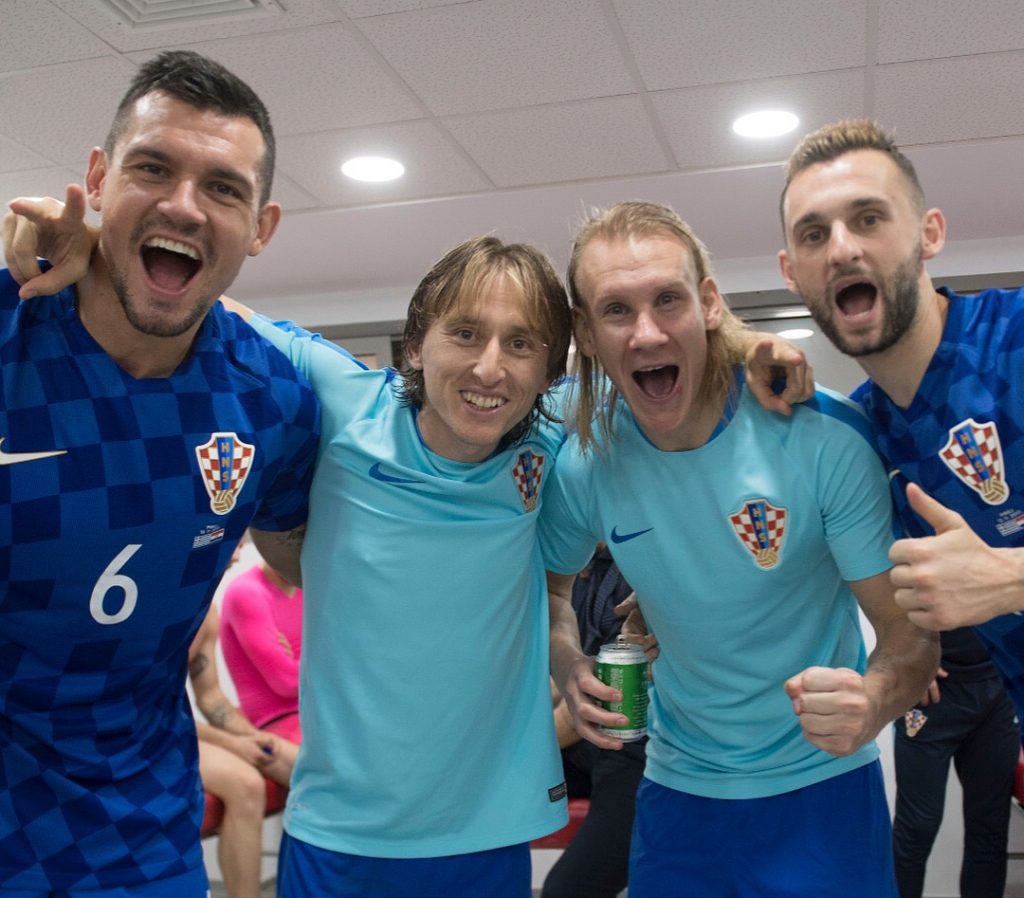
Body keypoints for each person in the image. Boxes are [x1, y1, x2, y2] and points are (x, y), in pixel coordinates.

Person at [6, 204, 813, 898]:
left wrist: (752, 347)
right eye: (465, 333)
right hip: (339, 834)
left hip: (487, 834)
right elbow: (204, 304)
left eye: (521, 344)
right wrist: (92, 250)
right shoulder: (339, 400)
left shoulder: (556, 436)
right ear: (417, 345)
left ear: (550, 369)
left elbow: (661, 350)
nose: (490, 366)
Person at [542, 200, 939, 897]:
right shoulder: (585, 460)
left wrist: (873, 700)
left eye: (668, 300)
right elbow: (548, 589)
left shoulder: (822, 437)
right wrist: (568, 662)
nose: (646, 333)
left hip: (821, 792)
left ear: (708, 303)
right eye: (616, 310)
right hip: (677, 797)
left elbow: (910, 637)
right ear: (586, 332)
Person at [0, 50, 319, 897]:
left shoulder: (274, 399)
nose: (183, 204)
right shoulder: (9, 332)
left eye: (222, 187)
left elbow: (302, 554)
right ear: (97, 180)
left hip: (139, 844)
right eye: (152, 167)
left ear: (261, 227)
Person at [776, 118, 1024, 729]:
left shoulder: (1013, 342)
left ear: (928, 233)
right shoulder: (861, 432)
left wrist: (1012, 577)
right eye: (814, 234)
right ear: (791, 272)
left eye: (868, 218)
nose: (841, 249)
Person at [542, 546, 645, 898]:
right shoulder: (582, 563)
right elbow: (565, 677)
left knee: (567, 891)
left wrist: (507, 756)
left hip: (637, 751)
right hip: (592, 744)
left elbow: (600, 700)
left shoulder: (636, 572)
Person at [891, 629, 1018, 898]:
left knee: (990, 826)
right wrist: (909, 654)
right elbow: (884, 606)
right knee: (917, 827)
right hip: (929, 694)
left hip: (996, 690)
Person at [189, 600, 282, 898]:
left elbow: (211, 697)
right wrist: (233, 743)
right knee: (245, 783)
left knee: (252, 780)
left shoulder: (206, 610)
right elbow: (151, 710)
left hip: (173, 725)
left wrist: (252, 736)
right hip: (138, 730)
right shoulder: (151, 606)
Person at [219, 558, 304, 753]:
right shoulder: (246, 592)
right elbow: (288, 683)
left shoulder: (310, 587)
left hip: (314, 712)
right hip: (279, 721)